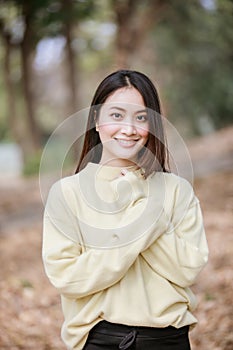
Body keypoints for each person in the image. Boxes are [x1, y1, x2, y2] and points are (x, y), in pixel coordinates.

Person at [42, 70, 209, 350]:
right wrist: (149, 221)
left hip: (168, 338)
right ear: (96, 120)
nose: (129, 129)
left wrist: (140, 204)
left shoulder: (176, 190)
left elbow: (187, 269)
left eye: (140, 117)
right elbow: (68, 277)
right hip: (99, 339)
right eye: (116, 115)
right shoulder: (67, 194)